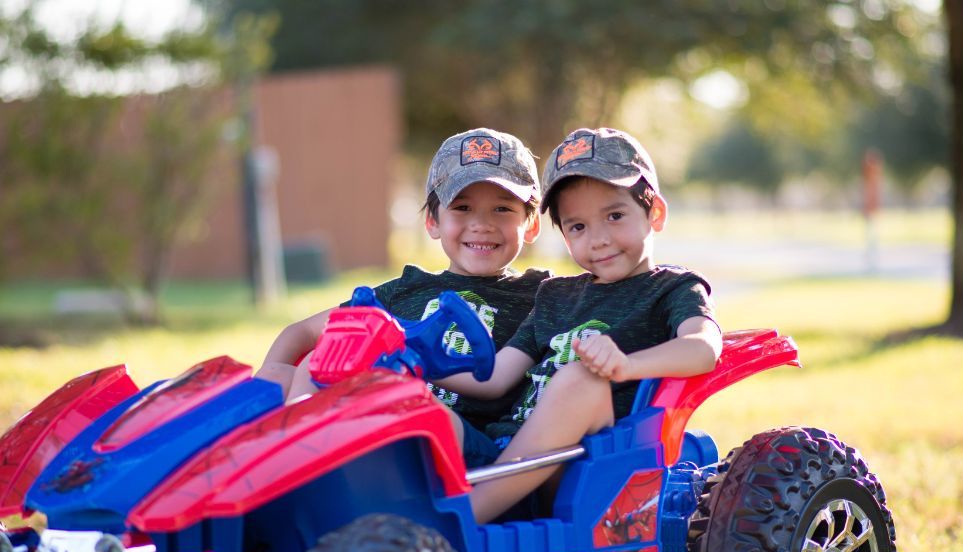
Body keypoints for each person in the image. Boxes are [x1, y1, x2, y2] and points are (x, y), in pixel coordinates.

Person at [435, 128, 723, 523]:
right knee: (411, 403)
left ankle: (458, 521)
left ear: (655, 212)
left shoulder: (672, 288)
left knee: (580, 380)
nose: (599, 239)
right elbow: (494, 379)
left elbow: (703, 348)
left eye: (615, 216)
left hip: (583, 472)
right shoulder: (555, 296)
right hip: (501, 457)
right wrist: (413, 362)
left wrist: (626, 365)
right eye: (578, 227)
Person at [256, 127, 551, 466]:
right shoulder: (406, 290)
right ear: (433, 222)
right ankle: (270, 467)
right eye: (463, 207)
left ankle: (293, 467)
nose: (481, 224)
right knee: (290, 372)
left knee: (400, 399)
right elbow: (304, 332)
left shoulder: (540, 295)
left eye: (502, 209)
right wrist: (271, 371)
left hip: (463, 445)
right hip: (380, 430)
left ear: (530, 225)